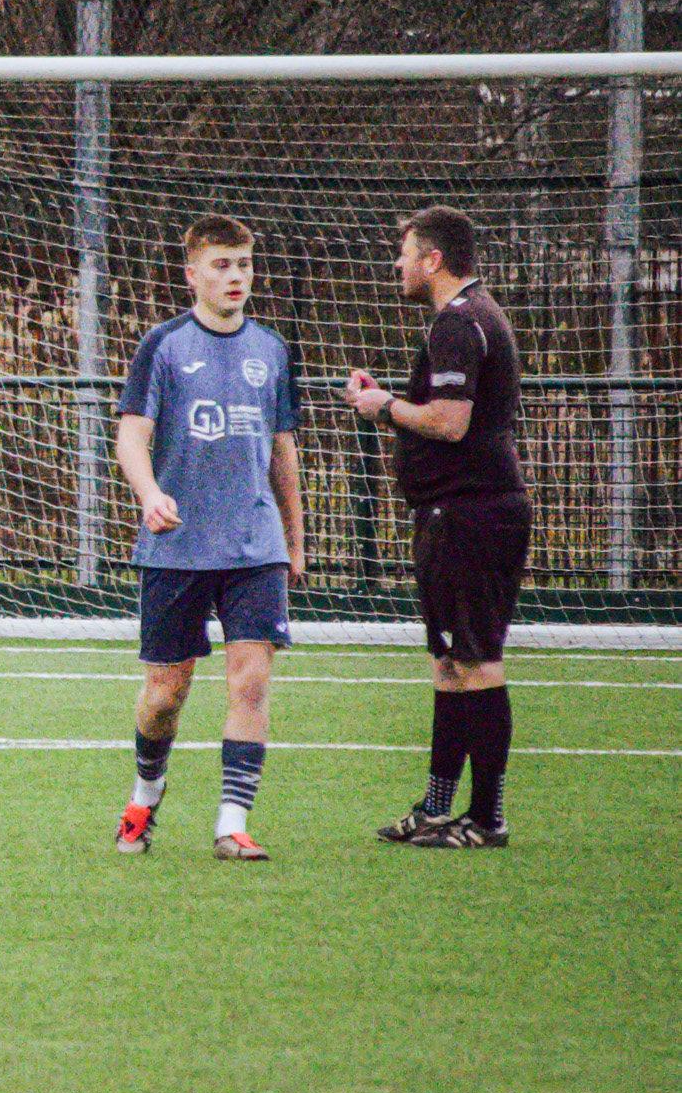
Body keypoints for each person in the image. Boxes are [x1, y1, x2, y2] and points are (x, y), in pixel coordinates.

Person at [111, 215, 304, 862]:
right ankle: (144, 794)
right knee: (166, 694)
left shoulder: (272, 350)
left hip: (255, 543)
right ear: (191, 273)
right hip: (177, 546)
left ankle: (231, 822)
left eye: (244, 264)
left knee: (249, 682)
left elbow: (283, 451)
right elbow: (130, 435)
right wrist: (149, 493)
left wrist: (295, 538)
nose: (236, 276)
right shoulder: (162, 346)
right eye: (222, 265)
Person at [344, 205, 526, 850]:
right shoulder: (473, 316)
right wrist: (390, 402)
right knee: (450, 662)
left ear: (434, 260)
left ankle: (487, 818)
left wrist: (382, 406)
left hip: (471, 515)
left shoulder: (458, 322)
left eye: (405, 252)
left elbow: (450, 423)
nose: (397, 264)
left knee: (476, 662)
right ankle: (438, 807)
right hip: (457, 514)